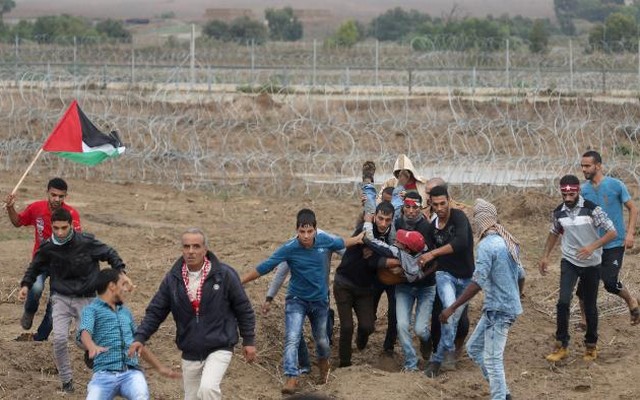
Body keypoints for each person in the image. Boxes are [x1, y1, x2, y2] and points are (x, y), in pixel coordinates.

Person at [240, 208, 362, 394]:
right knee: (292, 338)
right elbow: (267, 266)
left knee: (321, 339)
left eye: (309, 231)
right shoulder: (289, 248)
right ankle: (292, 376)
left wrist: (360, 238)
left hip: (320, 301)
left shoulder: (325, 241)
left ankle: (323, 365)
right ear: (296, 230)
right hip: (296, 300)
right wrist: (241, 280)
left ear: (315, 229)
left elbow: (343, 242)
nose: (306, 236)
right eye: (302, 232)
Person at [130, 228, 256, 400]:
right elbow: (156, 311)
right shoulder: (172, 280)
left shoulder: (224, 275)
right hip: (190, 348)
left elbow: (243, 308)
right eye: (186, 246)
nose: (191, 251)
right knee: (192, 397)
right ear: (182, 249)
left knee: (208, 389)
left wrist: (248, 340)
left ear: (205, 249)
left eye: (196, 246)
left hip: (220, 344)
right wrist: (140, 337)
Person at [18, 208, 126, 393]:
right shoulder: (47, 247)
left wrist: (121, 272)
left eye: (64, 228)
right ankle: (67, 382)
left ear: (71, 226)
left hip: (87, 299)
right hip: (60, 298)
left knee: (84, 340)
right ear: (52, 226)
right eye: (56, 228)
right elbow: (34, 267)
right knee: (59, 339)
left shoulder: (86, 242)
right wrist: (26, 285)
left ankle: (94, 355)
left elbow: (110, 253)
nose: (60, 233)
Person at [440, 199, 524, 400]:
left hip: (499, 311)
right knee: (474, 348)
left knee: (493, 360)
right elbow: (521, 274)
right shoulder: (508, 240)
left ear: (480, 221)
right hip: (498, 307)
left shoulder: (487, 245)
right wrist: (517, 295)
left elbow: (477, 282)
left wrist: (452, 307)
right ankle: (504, 394)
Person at [539, 175, 617, 362]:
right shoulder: (559, 212)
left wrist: (592, 247)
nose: (567, 197)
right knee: (563, 302)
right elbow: (554, 232)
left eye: (571, 193)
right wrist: (545, 256)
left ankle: (591, 346)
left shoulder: (592, 209)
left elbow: (612, 232)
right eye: (564, 194)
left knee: (589, 306)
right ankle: (561, 345)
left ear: (578, 191)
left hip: (591, 263)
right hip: (570, 261)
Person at [78, 269, 180, 400]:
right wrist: (91, 346)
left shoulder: (126, 313)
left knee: (141, 396)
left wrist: (160, 368)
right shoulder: (91, 310)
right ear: (112, 286)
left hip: (131, 373)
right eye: (122, 285)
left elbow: (138, 344)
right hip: (103, 374)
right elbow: (84, 332)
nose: (125, 289)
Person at [5, 177, 81, 341]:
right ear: (47, 192)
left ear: (65, 196)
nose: (57, 199)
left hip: (63, 266)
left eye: (61, 196)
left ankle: (40, 338)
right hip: (41, 261)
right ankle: (30, 311)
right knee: (36, 288)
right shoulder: (36, 208)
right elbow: (18, 221)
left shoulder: (72, 214)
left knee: (56, 305)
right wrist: (10, 208)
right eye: (53, 195)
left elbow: (79, 242)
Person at [578, 150, 639, 326]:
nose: (584, 169)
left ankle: (631, 300)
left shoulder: (616, 185)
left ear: (598, 166)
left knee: (610, 283)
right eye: (582, 166)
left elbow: (633, 209)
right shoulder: (583, 191)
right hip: (593, 245)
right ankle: (584, 320)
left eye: (587, 166)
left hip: (615, 243)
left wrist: (630, 233)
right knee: (584, 286)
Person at [421, 185, 475, 377]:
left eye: (443, 203)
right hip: (445, 275)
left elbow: (460, 243)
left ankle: (445, 354)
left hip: (467, 278)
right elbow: (425, 251)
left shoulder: (459, 217)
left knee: (452, 319)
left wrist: (433, 253)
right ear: (431, 204)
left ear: (449, 201)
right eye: (435, 204)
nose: (440, 208)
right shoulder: (430, 228)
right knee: (449, 312)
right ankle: (439, 359)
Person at [334, 201, 395, 368]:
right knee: (347, 327)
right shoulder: (365, 229)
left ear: (392, 220)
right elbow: (376, 257)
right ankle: (344, 364)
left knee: (368, 326)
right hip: (344, 283)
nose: (383, 223)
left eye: (387, 220)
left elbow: (376, 258)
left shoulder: (392, 235)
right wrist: (396, 258)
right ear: (374, 216)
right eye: (380, 218)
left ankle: (361, 339)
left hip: (365, 288)